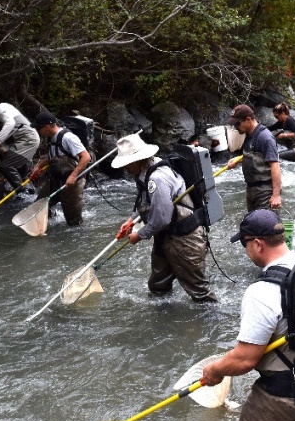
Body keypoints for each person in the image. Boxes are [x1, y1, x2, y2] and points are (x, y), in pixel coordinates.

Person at [201, 209, 295, 421]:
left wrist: (215, 370)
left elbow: (244, 360)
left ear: (258, 244)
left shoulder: (261, 293)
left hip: (282, 398)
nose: (244, 249)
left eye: (244, 243)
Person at [112, 134, 217, 303]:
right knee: (158, 287)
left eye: (126, 163)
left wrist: (139, 236)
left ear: (138, 159)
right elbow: (147, 202)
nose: (125, 168)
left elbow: (161, 218)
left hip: (184, 240)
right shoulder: (148, 169)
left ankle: (212, 322)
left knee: (200, 293)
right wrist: (131, 220)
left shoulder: (157, 178)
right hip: (166, 236)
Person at [29, 112, 91, 226]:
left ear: (47, 127)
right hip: (55, 180)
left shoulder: (68, 138)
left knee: (74, 223)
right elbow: (52, 156)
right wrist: (38, 167)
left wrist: (73, 176)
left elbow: (86, 157)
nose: (37, 131)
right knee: (38, 207)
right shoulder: (50, 138)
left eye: (38, 128)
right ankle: (47, 225)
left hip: (72, 183)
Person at [226, 104, 282, 211]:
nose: (235, 127)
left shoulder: (265, 138)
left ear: (248, 119)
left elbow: (275, 165)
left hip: (265, 191)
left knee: (266, 225)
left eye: (237, 123)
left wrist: (276, 196)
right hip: (251, 189)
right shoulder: (249, 135)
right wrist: (238, 160)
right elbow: (254, 156)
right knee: (253, 224)